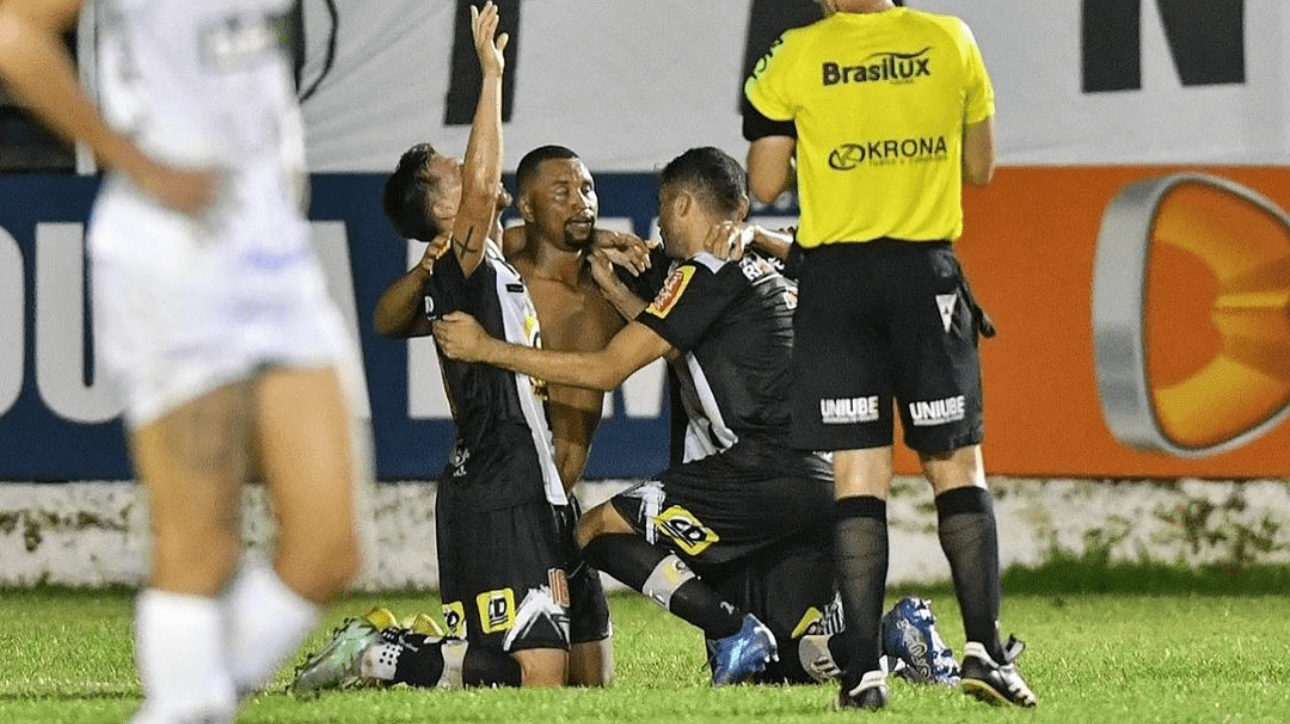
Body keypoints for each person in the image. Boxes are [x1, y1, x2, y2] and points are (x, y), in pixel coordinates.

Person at [0, 1, 369, 723]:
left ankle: (185, 706)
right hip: (173, 257)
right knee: (201, 544)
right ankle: (187, 705)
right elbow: (14, 31)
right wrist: (131, 160)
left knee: (330, 547)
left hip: (274, 252)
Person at [292, 8, 618, 692]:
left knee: (590, 682)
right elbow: (479, 186)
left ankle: (401, 654)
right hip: (502, 481)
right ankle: (386, 656)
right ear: (444, 210)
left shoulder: (486, 263)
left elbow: (391, 315)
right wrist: (490, 76)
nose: (469, 171)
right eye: (452, 174)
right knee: (539, 680)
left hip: (534, 482)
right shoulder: (460, 265)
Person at [434, 146, 837, 686]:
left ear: (686, 205)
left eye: (664, 207)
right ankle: (888, 639)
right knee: (785, 665)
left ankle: (729, 627)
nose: (658, 222)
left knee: (595, 531)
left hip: (761, 468)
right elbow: (682, 340)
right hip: (821, 474)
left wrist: (487, 348)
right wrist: (612, 266)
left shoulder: (705, 271)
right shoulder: (762, 268)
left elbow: (606, 370)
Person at [742, 0, 1037, 710]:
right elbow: (983, 164)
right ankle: (984, 651)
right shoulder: (949, 39)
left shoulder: (794, 55)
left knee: (858, 473)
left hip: (837, 285)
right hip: (922, 276)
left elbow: (763, 184)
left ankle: (863, 672)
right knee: (956, 466)